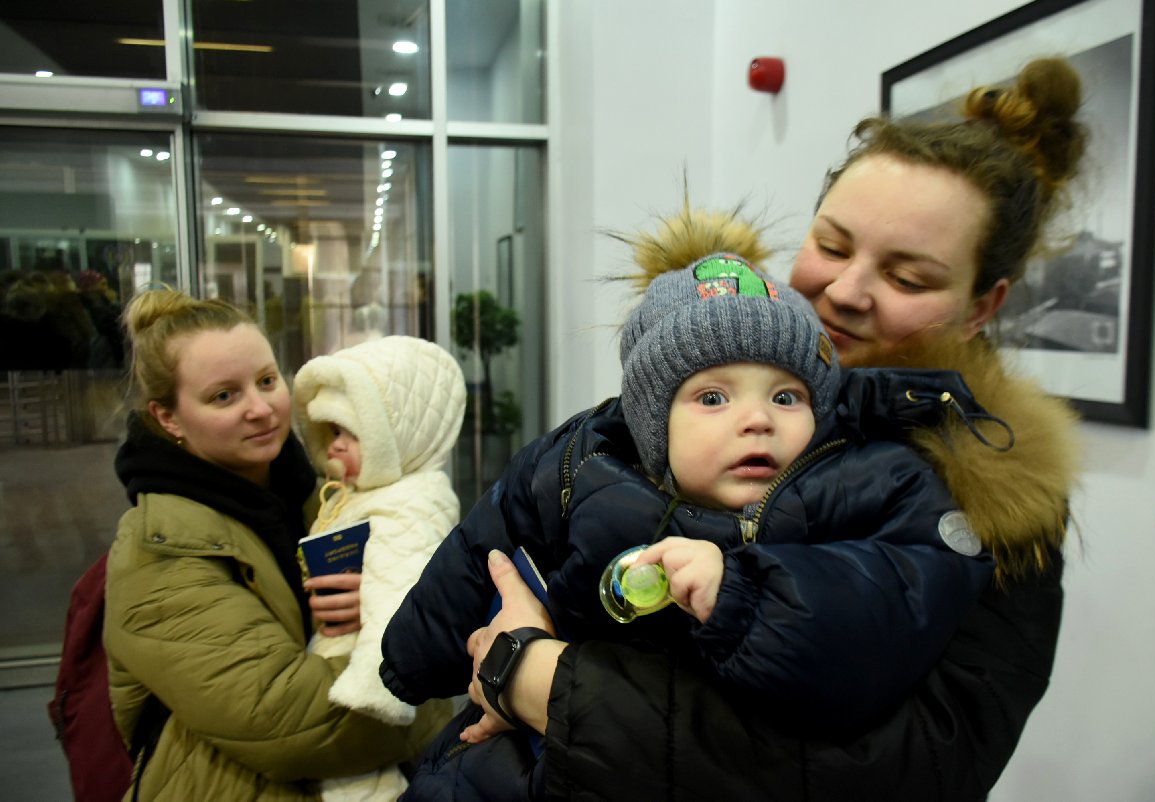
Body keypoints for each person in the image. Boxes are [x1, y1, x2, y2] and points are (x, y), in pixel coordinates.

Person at [439, 56, 1086, 801]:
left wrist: (536, 678)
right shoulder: (710, 364)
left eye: (908, 278)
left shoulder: (994, 498)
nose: (845, 290)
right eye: (832, 245)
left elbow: (904, 773)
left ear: (983, 305)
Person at [383, 243, 1017, 797]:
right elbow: (486, 541)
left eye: (787, 396)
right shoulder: (587, 456)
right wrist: (409, 661)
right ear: (653, 422)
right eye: (713, 397)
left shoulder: (857, 490)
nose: (757, 419)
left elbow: (880, 609)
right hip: (518, 754)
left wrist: (742, 596)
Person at [103, 289, 451, 802]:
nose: (261, 408)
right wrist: (433, 659)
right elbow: (296, 725)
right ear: (168, 417)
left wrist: (384, 601)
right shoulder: (158, 554)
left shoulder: (316, 498)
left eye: (267, 381)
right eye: (224, 396)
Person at [292, 335, 467, 802]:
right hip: (339, 650)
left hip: (368, 678)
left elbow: (399, 586)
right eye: (331, 433)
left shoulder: (412, 502)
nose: (334, 447)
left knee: (360, 783)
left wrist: (374, 684)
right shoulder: (360, 492)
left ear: (394, 434)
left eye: (350, 435)